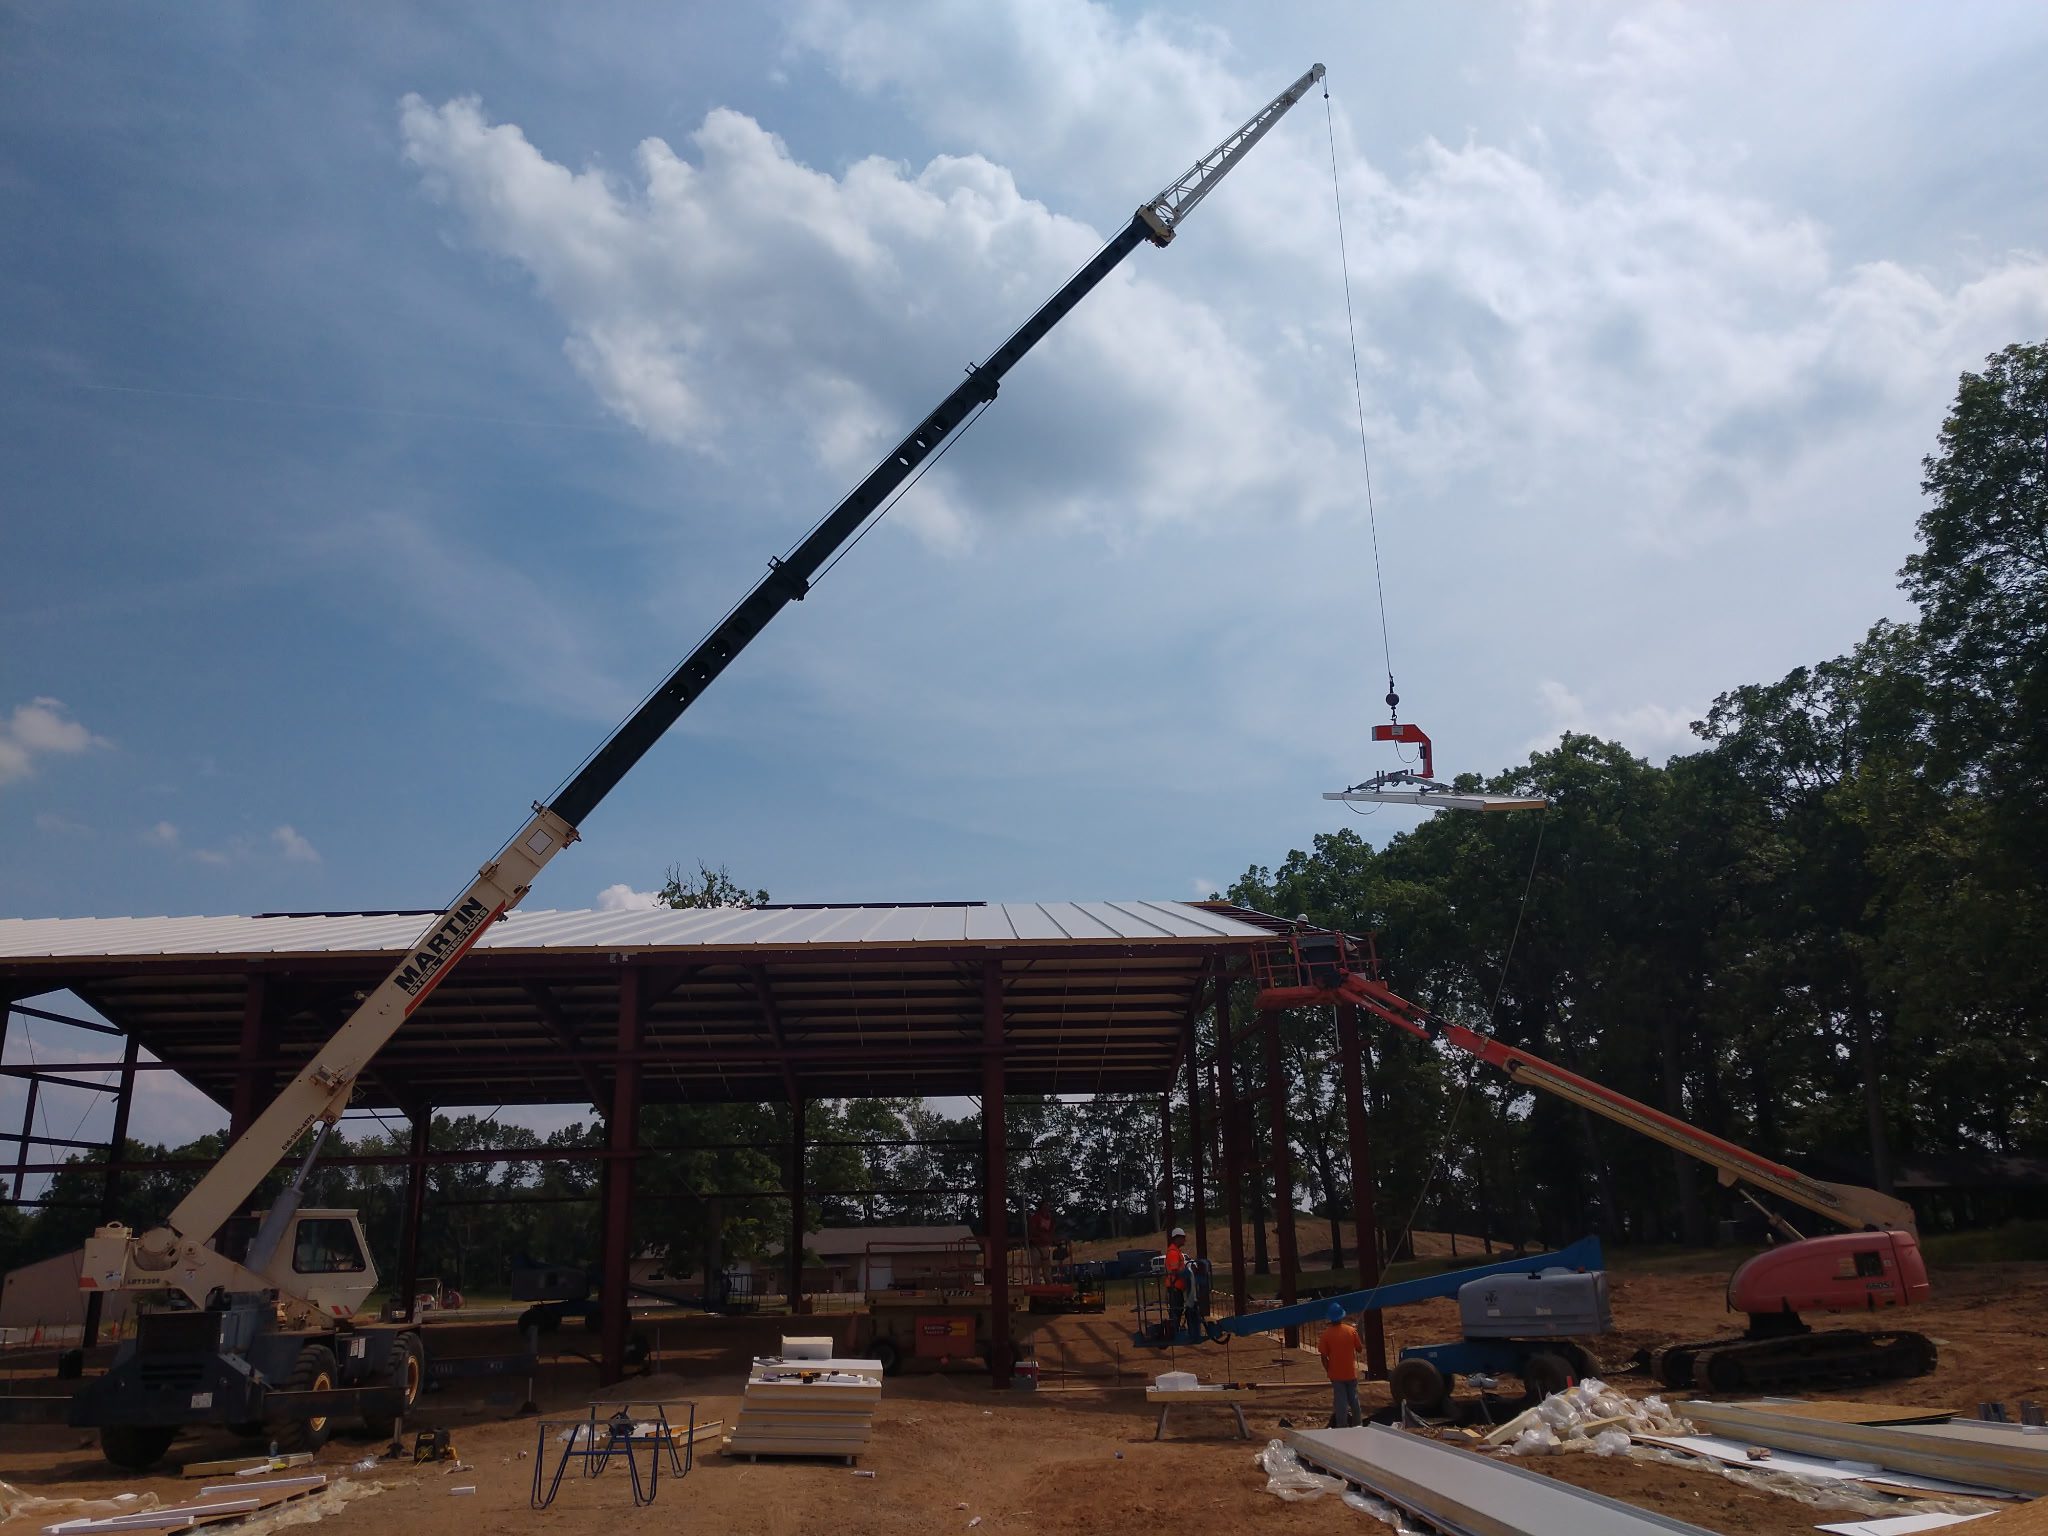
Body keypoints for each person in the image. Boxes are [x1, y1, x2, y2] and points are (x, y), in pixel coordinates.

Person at [1319, 1301, 1363, 1428]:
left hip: (1336, 1374)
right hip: (1350, 1372)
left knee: (1341, 1402)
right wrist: (1355, 1333)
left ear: (1330, 1318)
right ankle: (1358, 1424)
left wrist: (1329, 1370)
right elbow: (1359, 1349)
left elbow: (1323, 1357)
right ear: (1342, 1316)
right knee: (1354, 1400)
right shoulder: (1351, 1331)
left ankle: (1342, 1426)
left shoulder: (1326, 1335)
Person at [1162, 1227, 1190, 1341]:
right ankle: (1173, 1332)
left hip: (1177, 1286)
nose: (1184, 1240)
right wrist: (1186, 1273)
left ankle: (1175, 1330)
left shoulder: (1176, 1251)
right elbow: (1174, 1270)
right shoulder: (1173, 1253)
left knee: (1178, 1309)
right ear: (1177, 1238)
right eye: (1183, 1238)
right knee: (1176, 1310)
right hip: (1174, 1286)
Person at [1027, 1200, 1056, 1284]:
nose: (1046, 1208)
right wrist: (1041, 1235)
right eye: (1045, 1206)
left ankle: (1049, 1283)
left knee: (1046, 1266)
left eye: (1047, 1206)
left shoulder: (1050, 1218)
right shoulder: (1035, 1217)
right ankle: (1037, 1283)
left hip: (1045, 1245)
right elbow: (1032, 1229)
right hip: (1035, 1245)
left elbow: (1052, 1230)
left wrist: (1049, 1237)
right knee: (1036, 1265)